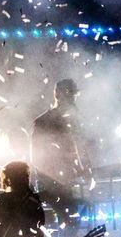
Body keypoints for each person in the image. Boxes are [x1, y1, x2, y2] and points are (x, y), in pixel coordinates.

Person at [31, 78, 91, 208]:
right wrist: (51, 180)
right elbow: (36, 157)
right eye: (69, 94)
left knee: (73, 219)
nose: (72, 99)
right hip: (51, 184)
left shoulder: (76, 121)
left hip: (70, 182)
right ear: (57, 95)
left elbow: (82, 148)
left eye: (73, 95)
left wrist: (86, 171)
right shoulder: (43, 122)